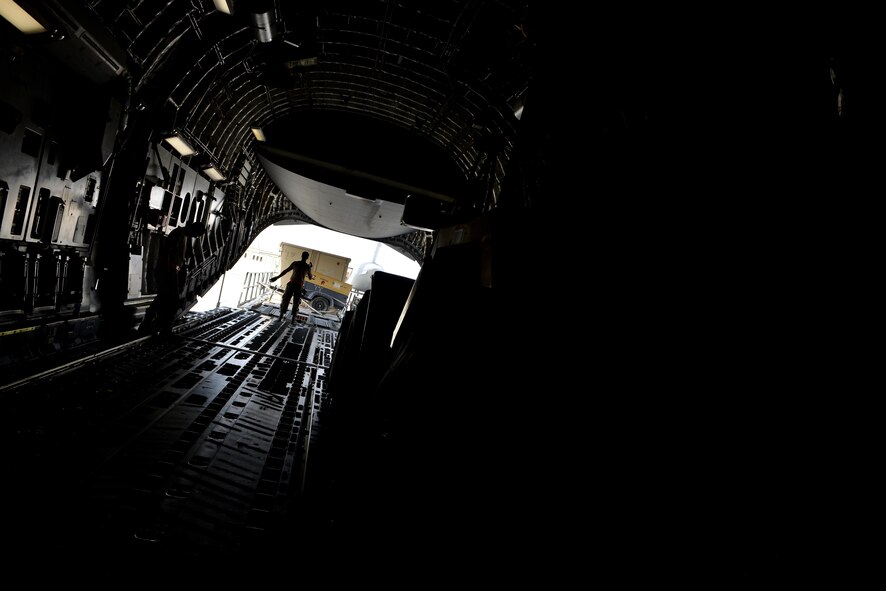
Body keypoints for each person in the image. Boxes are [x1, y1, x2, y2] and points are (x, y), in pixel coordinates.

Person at [140, 221, 207, 335]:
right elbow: (167, 253)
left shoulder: (183, 235)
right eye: (196, 234)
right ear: (193, 229)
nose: (195, 237)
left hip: (169, 271)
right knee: (172, 300)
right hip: (168, 272)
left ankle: (149, 325)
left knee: (162, 298)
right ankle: (163, 328)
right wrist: (172, 273)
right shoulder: (179, 234)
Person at [271, 250, 313, 322]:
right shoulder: (307, 267)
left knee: (285, 300)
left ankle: (280, 317)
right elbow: (310, 277)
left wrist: (277, 277)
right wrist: (310, 268)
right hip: (299, 286)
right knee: (296, 302)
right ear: (307, 257)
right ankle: (293, 320)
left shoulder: (295, 263)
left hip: (291, 284)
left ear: (301, 256)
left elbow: (286, 271)